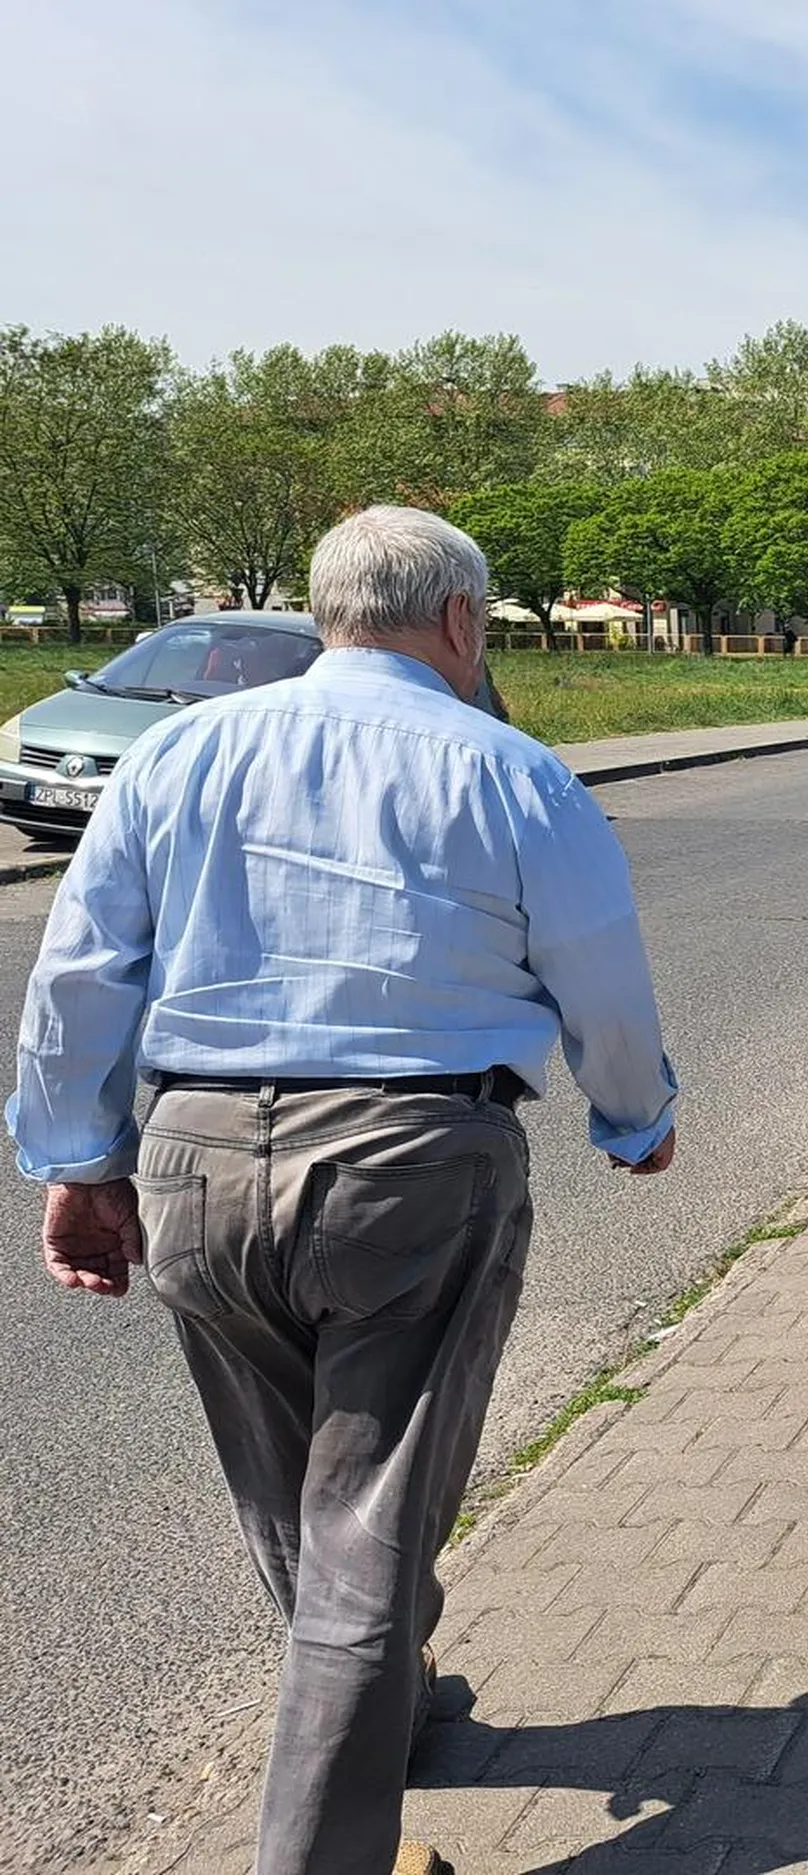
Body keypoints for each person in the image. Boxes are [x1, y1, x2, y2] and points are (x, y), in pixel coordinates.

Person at [9, 506, 681, 1875]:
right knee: (367, 1521)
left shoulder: (179, 753)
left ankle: (380, 1700)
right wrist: (634, 1113)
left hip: (195, 1155)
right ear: (459, 622)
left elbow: (83, 969)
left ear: (325, 613)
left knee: (296, 1505)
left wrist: (81, 1161)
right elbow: (597, 963)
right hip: (412, 1165)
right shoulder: (511, 771)